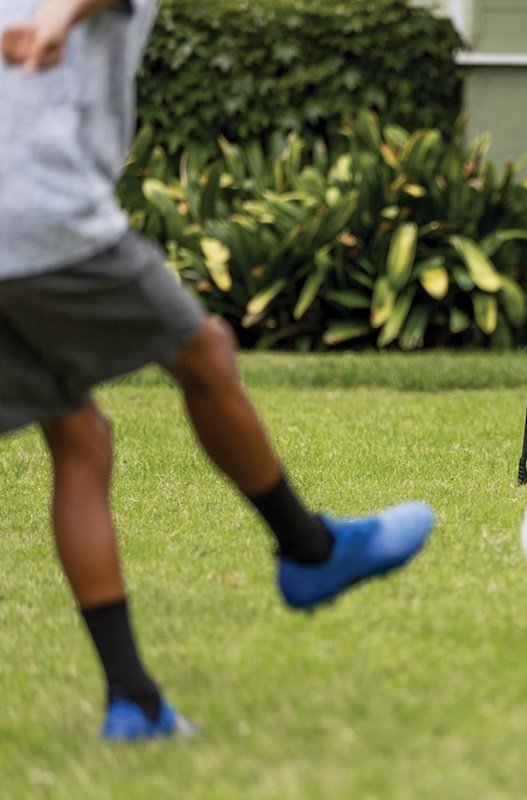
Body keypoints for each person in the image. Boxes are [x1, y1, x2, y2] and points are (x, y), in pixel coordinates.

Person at [0, 0, 436, 741]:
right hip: (40, 213)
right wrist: (59, 21)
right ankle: (309, 550)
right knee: (203, 352)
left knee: (77, 436)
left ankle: (134, 703)